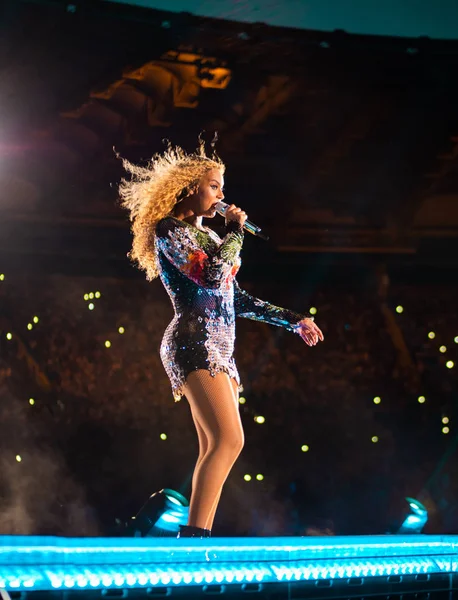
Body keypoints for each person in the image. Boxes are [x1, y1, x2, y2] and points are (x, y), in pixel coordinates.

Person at [117, 137, 324, 538]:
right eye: (215, 186)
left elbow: (235, 298)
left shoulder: (213, 240)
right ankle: (193, 538)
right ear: (191, 188)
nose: (222, 195)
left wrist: (293, 320)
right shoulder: (169, 230)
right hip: (193, 342)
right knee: (230, 439)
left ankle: (197, 537)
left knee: (217, 445)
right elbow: (210, 275)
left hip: (221, 347)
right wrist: (235, 231)